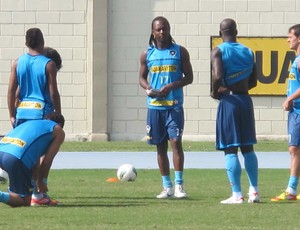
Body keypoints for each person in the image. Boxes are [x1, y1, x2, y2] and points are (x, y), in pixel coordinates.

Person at [139, 16, 193, 199]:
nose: (162, 32)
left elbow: (189, 77)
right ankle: (166, 186)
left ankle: (179, 185)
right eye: (159, 29)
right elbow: (141, 78)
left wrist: (170, 87)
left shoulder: (179, 52)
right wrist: (149, 89)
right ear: (153, 32)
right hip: (155, 107)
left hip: (174, 106)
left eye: (165, 28)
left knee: (176, 142)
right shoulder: (147, 54)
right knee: (160, 146)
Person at [210, 18, 259, 204]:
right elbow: (254, 81)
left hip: (229, 101)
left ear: (220, 32)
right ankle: (254, 191)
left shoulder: (219, 50)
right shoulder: (248, 51)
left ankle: (237, 194)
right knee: (248, 147)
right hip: (245, 100)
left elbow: (218, 75)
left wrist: (215, 92)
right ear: (236, 31)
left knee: (230, 149)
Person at [0, 112, 65, 207]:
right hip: (15, 158)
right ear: (60, 125)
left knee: (18, 192)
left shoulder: (32, 123)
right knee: (24, 201)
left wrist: (37, 189)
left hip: (2, 150)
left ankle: (38, 197)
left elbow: (35, 162)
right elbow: (46, 161)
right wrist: (42, 181)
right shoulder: (57, 130)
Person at [7, 28, 61, 128]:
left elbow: (11, 91)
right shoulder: (49, 64)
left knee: (24, 143)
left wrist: (11, 115)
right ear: (42, 41)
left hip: (21, 114)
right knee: (50, 141)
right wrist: (58, 114)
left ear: (26, 43)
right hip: (41, 114)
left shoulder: (17, 63)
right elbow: (53, 93)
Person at [271, 24, 300, 202]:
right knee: (294, 150)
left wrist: (289, 99)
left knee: (294, 150)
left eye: (290, 36)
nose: (287, 39)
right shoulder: (295, 60)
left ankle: (290, 190)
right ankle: (291, 190)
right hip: (295, 111)